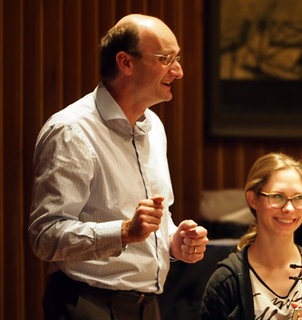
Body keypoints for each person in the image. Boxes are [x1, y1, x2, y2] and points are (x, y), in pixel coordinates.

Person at [28, 14, 209, 320]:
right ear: (126, 63)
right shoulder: (72, 132)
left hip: (147, 305)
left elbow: (152, 222)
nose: (178, 71)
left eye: (177, 59)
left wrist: (173, 240)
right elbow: (45, 236)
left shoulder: (154, 127)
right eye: (166, 59)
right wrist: (124, 232)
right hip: (87, 303)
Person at [200, 152, 302, 320]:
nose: (289, 208)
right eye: (278, 197)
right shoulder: (227, 281)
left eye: (298, 198)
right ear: (253, 199)